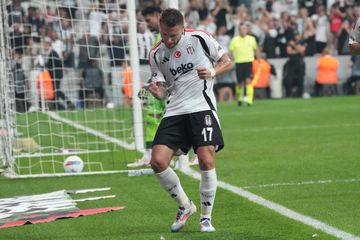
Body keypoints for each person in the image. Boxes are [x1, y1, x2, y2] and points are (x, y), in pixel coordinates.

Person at [147, 8, 232, 232]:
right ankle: (185, 205)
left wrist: (213, 72)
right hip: (175, 110)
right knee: (157, 161)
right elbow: (164, 90)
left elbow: (227, 61)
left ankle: (206, 218)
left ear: (183, 27)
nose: (168, 39)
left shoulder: (199, 39)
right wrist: (158, 93)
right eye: (164, 34)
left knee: (205, 159)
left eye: (173, 35)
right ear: (160, 26)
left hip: (201, 107)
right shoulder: (155, 53)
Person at [229, 22, 259, 106]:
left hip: (249, 62)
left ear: (247, 30)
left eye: (244, 29)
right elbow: (230, 51)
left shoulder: (251, 39)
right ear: (239, 30)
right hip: (239, 62)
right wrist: (231, 60)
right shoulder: (235, 40)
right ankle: (239, 98)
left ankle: (249, 100)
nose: (243, 31)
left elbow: (256, 49)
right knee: (239, 83)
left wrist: (259, 60)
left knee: (248, 81)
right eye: (241, 29)